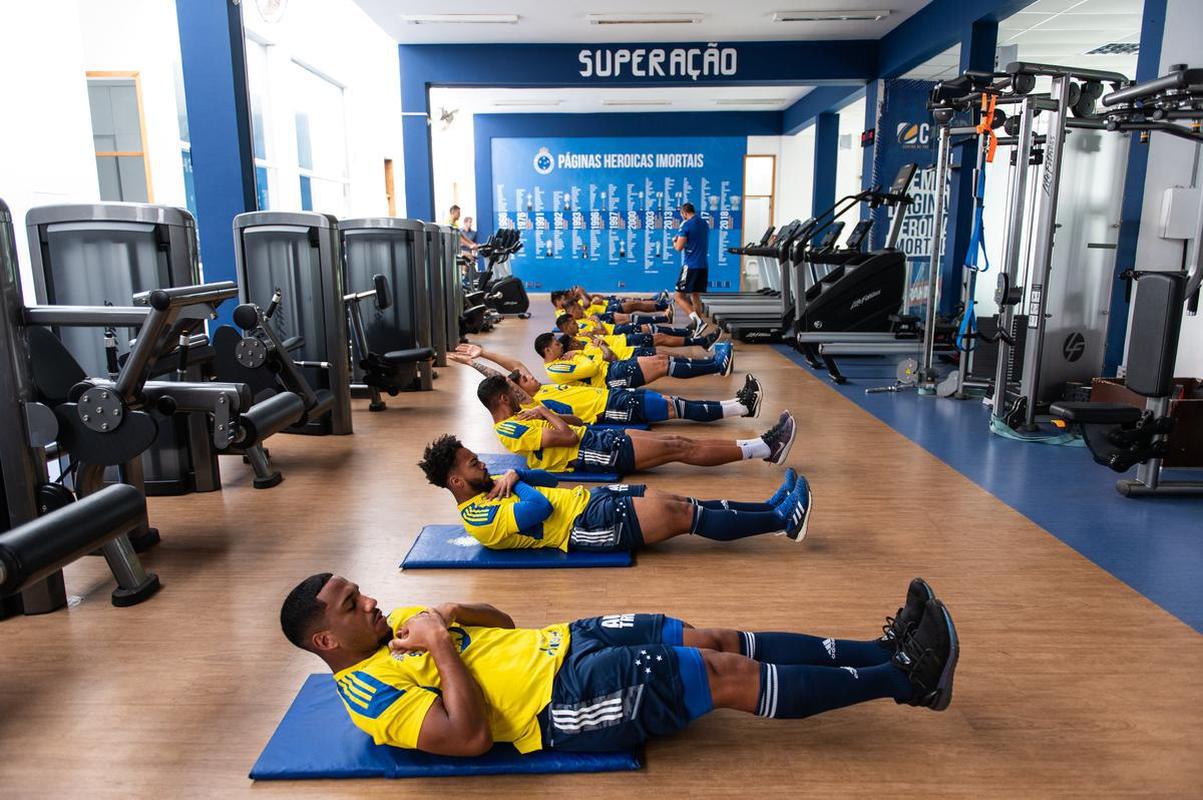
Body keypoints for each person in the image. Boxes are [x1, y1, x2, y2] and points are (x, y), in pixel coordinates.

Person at [279, 574, 958, 756]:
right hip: (561, 702)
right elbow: (469, 736)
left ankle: (883, 651)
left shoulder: (400, 622)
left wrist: (455, 612)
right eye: (352, 605)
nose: (371, 601)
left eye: (360, 592)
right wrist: (439, 645)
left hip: (565, 640)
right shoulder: (368, 695)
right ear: (327, 642)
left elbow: (504, 625)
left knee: (716, 637)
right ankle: (907, 681)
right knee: (718, 675)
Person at [418, 436, 812, 548]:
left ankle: (768, 510)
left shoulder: (493, 485)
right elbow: (538, 510)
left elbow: (549, 482)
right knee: (681, 517)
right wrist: (517, 482)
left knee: (682, 502)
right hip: (582, 527)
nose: (481, 464)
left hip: (589, 499)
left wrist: (518, 474)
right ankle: (783, 522)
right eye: (472, 464)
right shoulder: (479, 517)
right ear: (456, 482)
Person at [473, 374, 796, 473]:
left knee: (680, 443)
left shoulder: (520, 415)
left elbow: (575, 421)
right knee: (679, 447)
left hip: (594, 436)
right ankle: (764, 448)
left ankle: (762, 445)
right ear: (502, 399)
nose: (518, 395)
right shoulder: (510, 430)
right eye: (512, 393)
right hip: (589, 451)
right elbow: (568, 438)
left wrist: (542, 411)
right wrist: (543, 412)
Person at [448, 343, 762, 425]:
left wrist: (484, 351)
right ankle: (740, 407)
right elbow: (506, 377)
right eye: (524, 381)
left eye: (527, 375)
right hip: (609, 410)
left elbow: (515, 365)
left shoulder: (541, 388)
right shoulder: (531, 402)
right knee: (675, 407)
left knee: (674, 404)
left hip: (613, 396)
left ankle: (738, 405)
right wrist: (474, 363)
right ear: (516, 392)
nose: (528, 376)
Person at [535, 331, 733, 389]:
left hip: (612, 369)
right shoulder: (556, 367)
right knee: (662, 364)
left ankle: (714, 364)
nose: (561, 346)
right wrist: (578, 354)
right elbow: (591, 369)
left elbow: (604, 358)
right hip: (609, 380)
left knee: (662, 359)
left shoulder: (563, 359)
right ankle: (716, 365)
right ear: (547, 350)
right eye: (556, 344)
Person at [554, 312, 719, 354]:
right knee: (662, 347)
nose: (576, 324)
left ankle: (698, 339)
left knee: (660, 338)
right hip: (623, 346)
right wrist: (594, 332)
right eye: (573, 324)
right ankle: (700, 342)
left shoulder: (580, 334)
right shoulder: (576, 343)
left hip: (622, 339)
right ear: (565, 329)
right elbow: (600, 340)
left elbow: (600, 334)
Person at [673, 202, 710, 336]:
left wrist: (674, 241)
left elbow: (678, 247)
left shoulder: (686, 224)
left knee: (678, 297)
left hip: (691, 266)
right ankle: (697, 327)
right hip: (703, 265)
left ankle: (698, 322)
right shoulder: (704, 223)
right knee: (695, 296)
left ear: (684, 213)